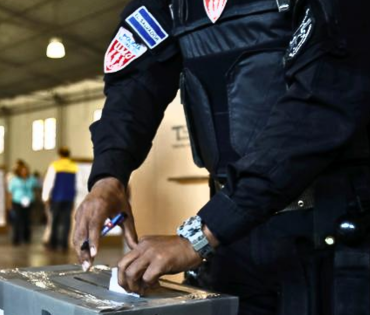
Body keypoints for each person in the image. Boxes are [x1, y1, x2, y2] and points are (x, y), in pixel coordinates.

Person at [73, 0, 370, 314]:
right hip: (235, 235)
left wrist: (199, 236)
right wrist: (109, 175)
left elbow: (322, 101)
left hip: (331, 230)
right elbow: (135, 84)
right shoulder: (172, 4)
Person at [42, 147, 77, 251]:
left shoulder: (55, 166)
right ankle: (64, 244)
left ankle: (53, 243)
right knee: (67, 221)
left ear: (59, 154)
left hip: (57, 197)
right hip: (69, 198)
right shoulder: (73, 166)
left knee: (55, 220)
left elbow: (49, 182)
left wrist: (45, 196)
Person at [8, 164, 39, 245]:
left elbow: (37, 186)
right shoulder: (14, 180)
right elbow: (10, 191)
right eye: (23, 170)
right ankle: (16, 238)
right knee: (18, 220)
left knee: (27, 220)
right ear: (19, 171)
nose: (24, 172)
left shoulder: (31, 179)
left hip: (29, 201)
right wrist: (10, 203)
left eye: (26, 170)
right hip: (17, 201)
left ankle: (26, 238)